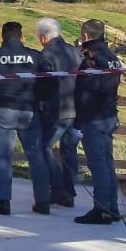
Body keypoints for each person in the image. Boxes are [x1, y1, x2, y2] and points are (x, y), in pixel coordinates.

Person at [0, 21, 52, 215]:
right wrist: (42, 100)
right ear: (22, 38)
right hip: (29, 111)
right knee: (36, 156)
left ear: (2, 38)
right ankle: (43, 202)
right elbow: (50, 80)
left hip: (2, 109)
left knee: (4, 157)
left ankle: (3, 203)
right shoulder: (35, 56)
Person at [73, 18, 122, 224]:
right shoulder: (111, 56)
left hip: (94, 118)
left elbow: (87, 93)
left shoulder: (92, 59)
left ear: (85, 35)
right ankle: (112, 208)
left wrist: (78, 122)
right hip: (109, 114)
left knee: (98, 164)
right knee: (107, 164)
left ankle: (102, 210)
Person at [35, 17, 81, 208]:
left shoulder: (45, 55)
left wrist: (40, 103)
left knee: (43, 148)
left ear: (42, 37)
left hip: (55, 111)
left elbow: (43, 85)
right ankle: (69, 192)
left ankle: (58, 188)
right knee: (70, 152)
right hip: (76, 109)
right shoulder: (76, 52)